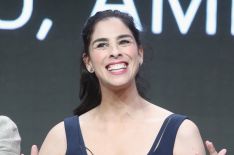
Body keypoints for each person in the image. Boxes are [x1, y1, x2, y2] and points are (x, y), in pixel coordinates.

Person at [30, 10, 227, 155]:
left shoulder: (181, 132)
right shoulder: (61, 138)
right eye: (102, 44)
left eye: (124, 41)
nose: (115, 51)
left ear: (139, 54)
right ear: (88, 62)